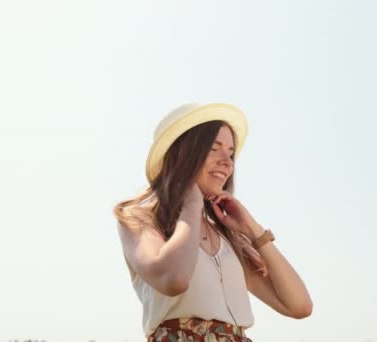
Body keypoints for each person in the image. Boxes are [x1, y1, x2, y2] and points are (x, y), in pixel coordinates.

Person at [113, 103, 313, 341]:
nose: (227, 162)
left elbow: (299, 306)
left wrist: (253, 230)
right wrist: (192, 204)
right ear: (182, 154)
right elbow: (174, 279)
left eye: (230, 153)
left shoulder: (228, 238)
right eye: (213, 148)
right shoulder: (139, 218)